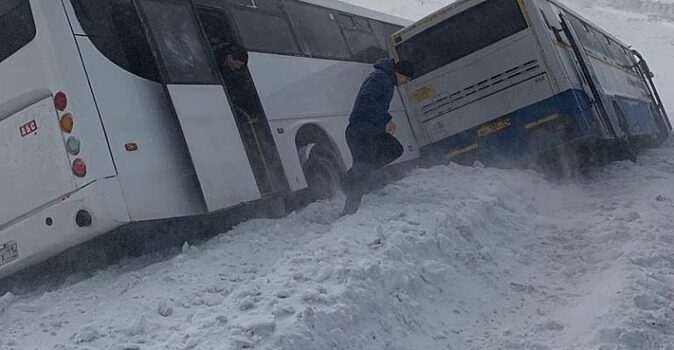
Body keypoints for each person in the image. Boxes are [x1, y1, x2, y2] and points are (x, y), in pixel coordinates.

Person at [342, 58, 415, 216]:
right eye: (406, 79)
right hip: (360, 131)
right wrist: (386, 119)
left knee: (394, 149)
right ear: (399, 73)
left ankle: (352, 175)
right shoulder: (380, 79)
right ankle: (349, 212)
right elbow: (366, 101)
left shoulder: (386, 80)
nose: (406, 83)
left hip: (371, 131)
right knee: (364, 169)